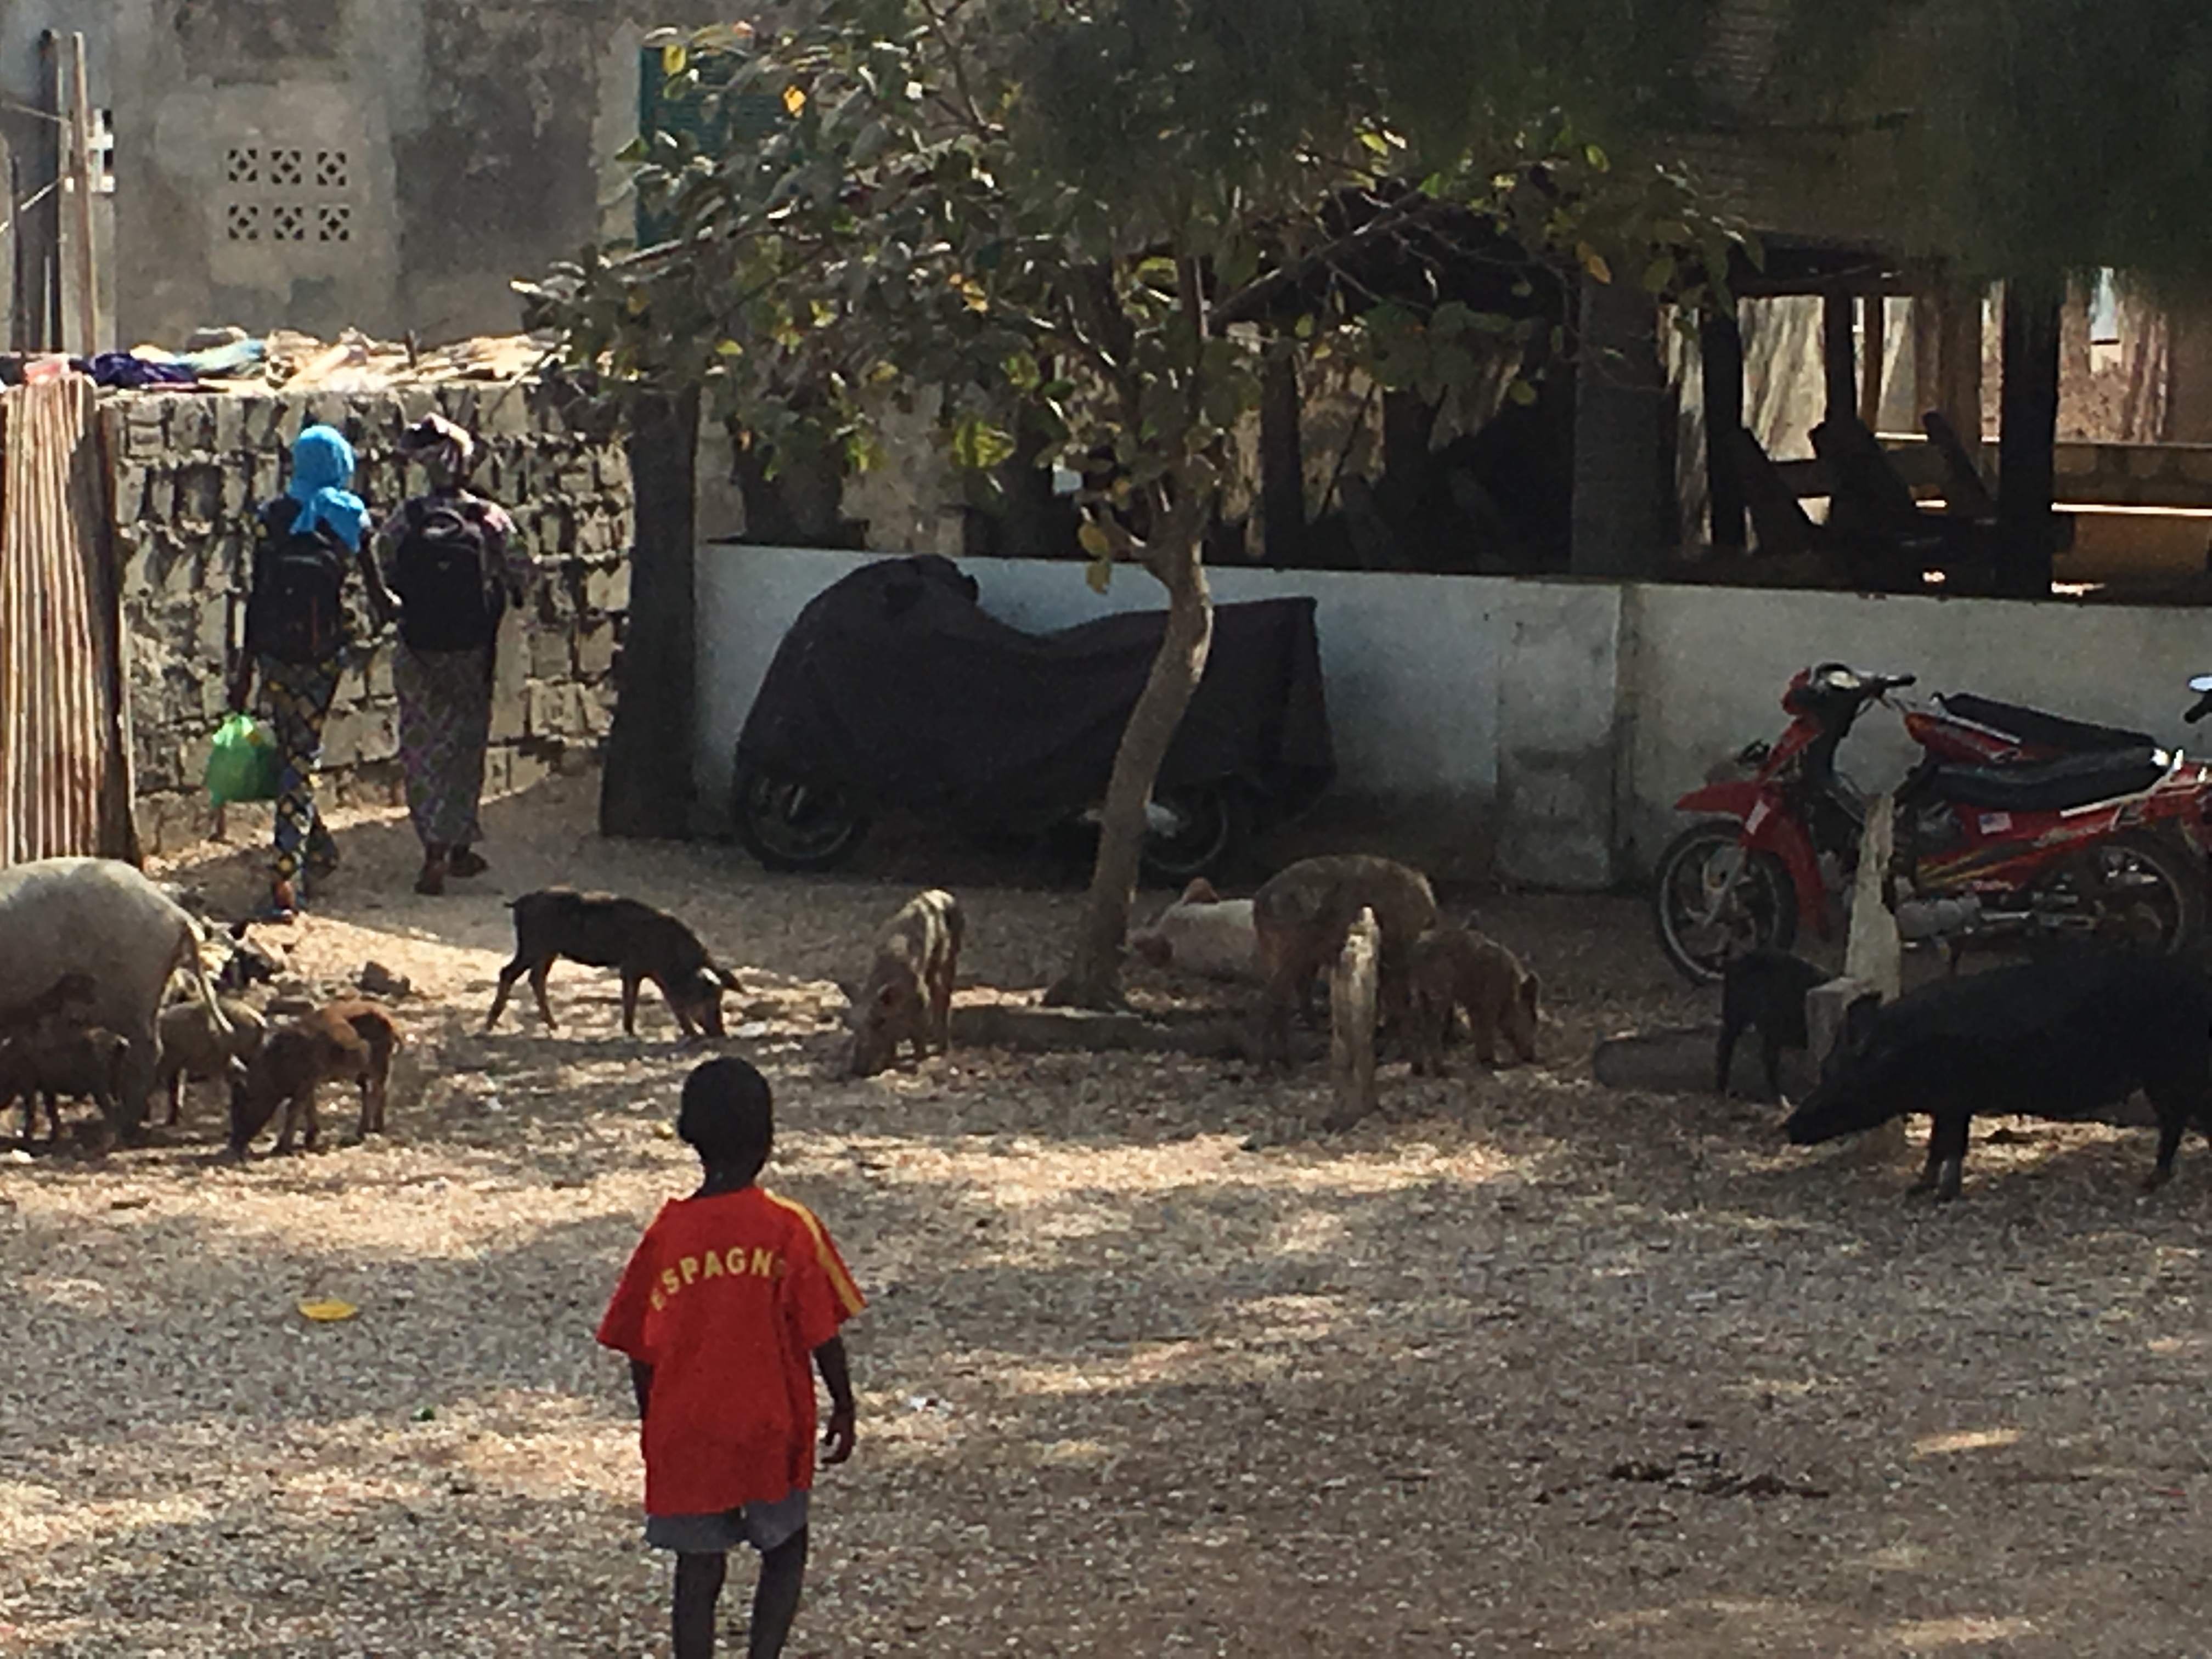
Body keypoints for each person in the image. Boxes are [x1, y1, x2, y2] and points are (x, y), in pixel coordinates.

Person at [597, 1058, 863, 1659]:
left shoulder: (666, 1236)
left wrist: (653, 1423)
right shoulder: (790, 1229)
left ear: (688, 1135)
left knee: (697, 1572)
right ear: (769, 1139)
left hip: (687, 1434)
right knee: (785, 1547)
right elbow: (823, 1332)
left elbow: (640, 1347)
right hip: (772, 1429)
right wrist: (845, 1405)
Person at [230, 424, 385, 921]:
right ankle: (288, 873)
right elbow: (379, 594)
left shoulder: (269, 518)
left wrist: (243, 669)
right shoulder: (350, 519)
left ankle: (303, 859)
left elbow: (257, 597)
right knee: (303, 755)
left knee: (291, 750)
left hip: (275, 653)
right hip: (322, 658)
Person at [374, 414, 532, 896]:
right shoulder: (489, 519)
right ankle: (458, 841)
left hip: (418, 645)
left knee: (422, 745)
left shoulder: (408, 518)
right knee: (465, 743)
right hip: (471, 648)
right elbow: (525, 571)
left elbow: (383, 563)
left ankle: (434, 849)